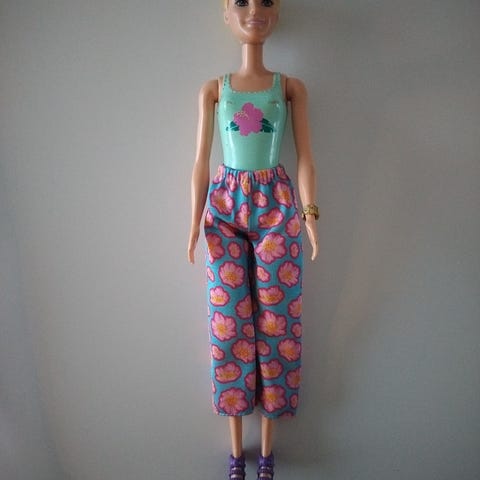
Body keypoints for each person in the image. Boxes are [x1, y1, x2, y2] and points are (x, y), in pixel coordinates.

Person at [187, 1, 319, 478]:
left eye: (266, 0)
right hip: (224, 206)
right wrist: (193, 223)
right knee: (228, 324)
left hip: (277, 204)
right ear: (226, 12)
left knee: (279, 321)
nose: (254, 11)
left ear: (277, 11)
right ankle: (235, 450)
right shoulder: (214, 89)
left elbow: (306, 157)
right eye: (240, 1)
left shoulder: (290, 88)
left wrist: (310, 215)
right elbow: (201, 160)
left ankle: (266, 452)